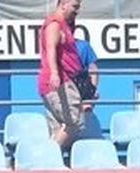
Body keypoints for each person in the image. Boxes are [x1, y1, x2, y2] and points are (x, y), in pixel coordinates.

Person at [38, 0, 85, 148]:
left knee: (59, 128)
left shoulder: (64, 25)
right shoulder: (54, 24)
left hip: (64, 81)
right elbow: (51, 48)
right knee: (74, 121)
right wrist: (54, 73)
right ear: (63, 4)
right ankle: (47, 158)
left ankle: (51, 164)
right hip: (58, 83)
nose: (77, 11)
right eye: (74, 7)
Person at [73, 34, 102, 139]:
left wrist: (92, 91)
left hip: (81, 88)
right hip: (64, 89)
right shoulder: (55, 47)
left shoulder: (83, 46)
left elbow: (93, 69)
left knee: (84, 116)